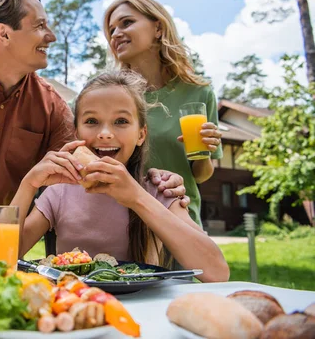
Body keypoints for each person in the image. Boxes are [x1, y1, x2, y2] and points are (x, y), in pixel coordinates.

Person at [0, 0, 187, 257]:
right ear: (4, 34)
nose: (51, 35)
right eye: (40, 26)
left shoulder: (51, 105)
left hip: (7, 246)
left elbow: (88, 159)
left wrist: (157, 181)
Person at [12, 71, 229, 283]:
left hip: (144, 315)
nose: (105, 133)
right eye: (91, 121)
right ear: (76, 134)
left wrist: (136, 197)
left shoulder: (158, 190)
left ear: (141, 134)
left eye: (121, 121)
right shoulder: (59, 193)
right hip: (76, 310)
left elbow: (216, 272)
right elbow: (0, 258)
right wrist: (28, 185)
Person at [102, 0, 223, 226]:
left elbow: (200, 174)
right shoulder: (111, 95)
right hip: (121, 224)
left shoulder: (198, 93)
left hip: (180, 220)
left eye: (126, 23)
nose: (116, 34)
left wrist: (205, 151)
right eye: (111, 30)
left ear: (158, 28)